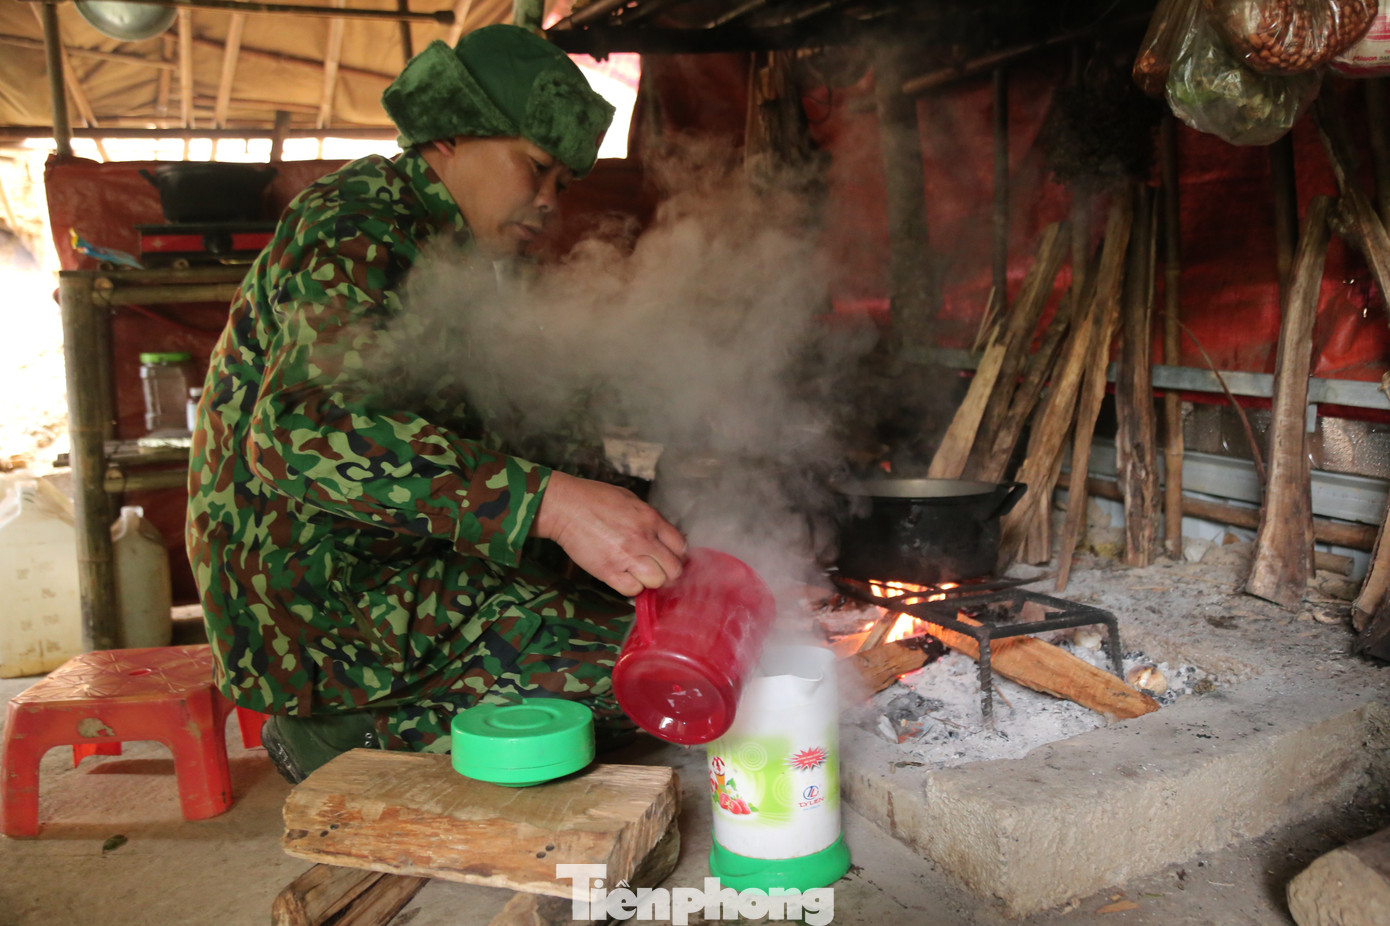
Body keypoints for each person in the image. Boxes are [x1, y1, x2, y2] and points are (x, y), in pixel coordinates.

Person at [186, 25, 686, 783]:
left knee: (671, 637)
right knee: (653, 676)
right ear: (449, 136)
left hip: (409, 567)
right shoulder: (360, 222)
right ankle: (341, 730)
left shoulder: (468, 254)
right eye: (537, 167)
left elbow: (515, 422)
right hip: (324, 607)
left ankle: (417, 714)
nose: (549, 203)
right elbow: (298, 434)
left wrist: (630, 500)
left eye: (563, 185)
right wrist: (552, 505)